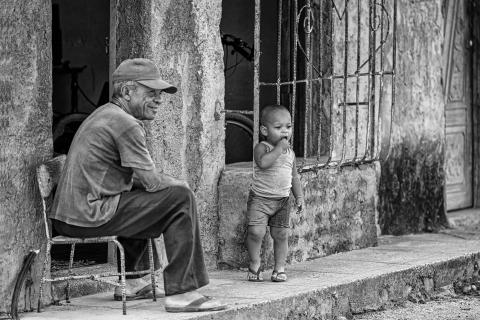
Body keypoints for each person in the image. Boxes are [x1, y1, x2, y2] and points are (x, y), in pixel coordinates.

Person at [50, 58, 226, 312]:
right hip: (86, 214)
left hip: (73, 214)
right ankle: (182, 291)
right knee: (179, 198)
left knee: (141, 194)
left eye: (160, 94)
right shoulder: (125, 123)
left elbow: (140, 183)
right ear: (126, 91)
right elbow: (153, 181)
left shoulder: (107, 114)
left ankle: (134, 281)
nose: (158, 100)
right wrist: (181, 185)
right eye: (151, 93)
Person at [245, 104, 305, 283]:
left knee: (281, 235)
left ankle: (279, 268)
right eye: (278, 128)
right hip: (260, 199)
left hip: (283, 200)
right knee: (256, 232)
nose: (284, 131)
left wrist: (299, 196)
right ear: (265, 130)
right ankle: (255, 263)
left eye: (288, 127)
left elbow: (293, 176)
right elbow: (263, 163)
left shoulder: (291, 153)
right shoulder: (261, 147)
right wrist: (279, 149)